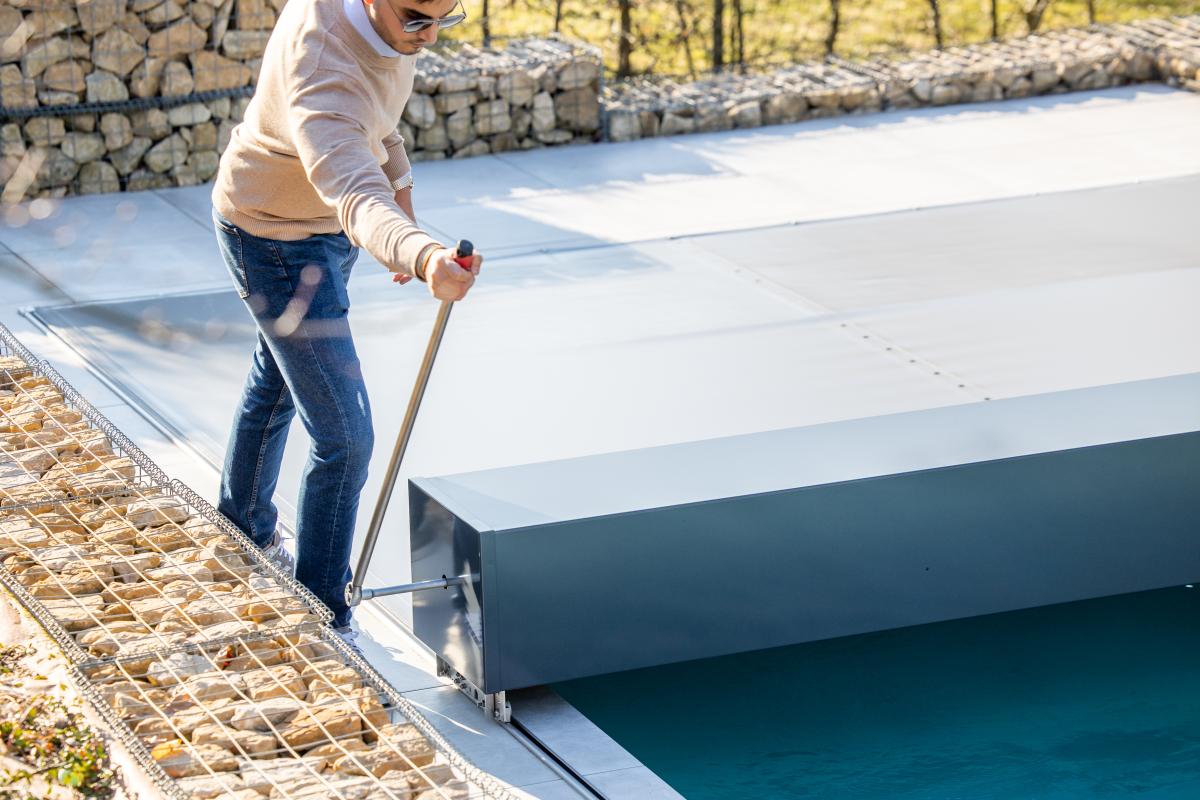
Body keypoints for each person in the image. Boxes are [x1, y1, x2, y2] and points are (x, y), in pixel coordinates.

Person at [209, 0, 482, 644]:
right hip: (274, 236)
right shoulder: (324, 65)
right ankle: (321, 615)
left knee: (277, 380)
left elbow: (376, 127)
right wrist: (420, 255)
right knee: (346, 436)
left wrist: (403, 200)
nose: (430, 35)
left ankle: (241, 531)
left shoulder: (387, 29)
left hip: (318, 225)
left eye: (447, 18)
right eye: (416, 19)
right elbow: (355, 189)